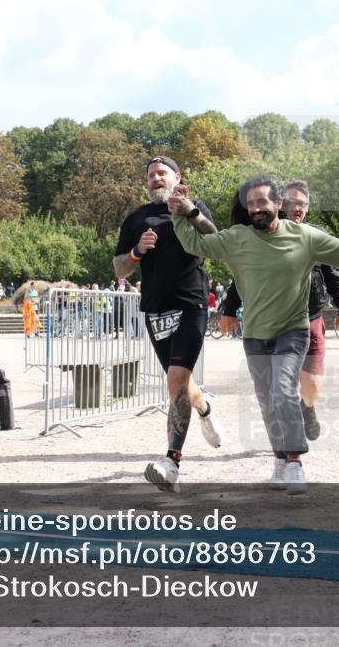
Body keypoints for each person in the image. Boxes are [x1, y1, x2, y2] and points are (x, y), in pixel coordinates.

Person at [170, 175, 339, 494]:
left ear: (278, 204)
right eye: (251, 203)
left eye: (263, 202)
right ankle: (280, 460)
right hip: (256, 335)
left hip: (293, 330)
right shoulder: (237, 237)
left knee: (283, 391)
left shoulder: (304, 237)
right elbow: (195, 243)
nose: (257, 208)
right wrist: (179, 212)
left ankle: (295, 461)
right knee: (267, 403)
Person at [113, 155, 223, 493]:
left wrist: (189, 210)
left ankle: (171, 462)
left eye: (163, 173)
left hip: (191, 305)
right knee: (180, 384)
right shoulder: (136, 218)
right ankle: (204, 405)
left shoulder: (194, 207)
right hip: (155, 310)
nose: (156, 179)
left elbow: (215, 239)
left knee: (175, 381)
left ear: (177, 177)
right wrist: (136, 252)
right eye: (151, 175)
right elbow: (119, 269)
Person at [220, 180, 339, 440]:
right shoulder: (263, 236)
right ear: (281, 205)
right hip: (277, 321)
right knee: (281, 384)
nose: (297, 209)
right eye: (291, 203)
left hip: (311, 317)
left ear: (308, 207)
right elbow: (243, 277)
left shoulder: (316, 236)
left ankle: (308, 407)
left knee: (312, 384)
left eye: (302, 204)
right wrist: (229, 309)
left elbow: (335, 274)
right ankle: (286, 438)